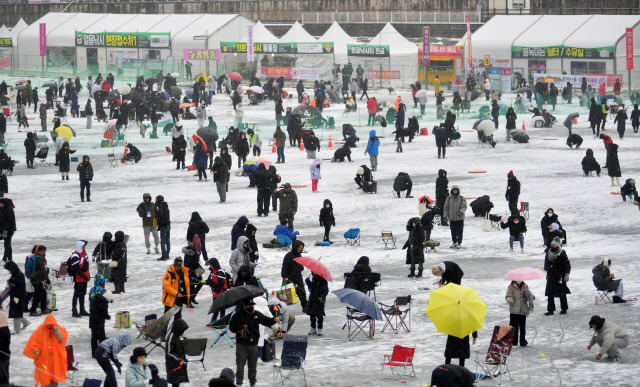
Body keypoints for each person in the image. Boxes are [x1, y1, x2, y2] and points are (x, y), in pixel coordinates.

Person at [229, 299, 278, 386]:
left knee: (253, 367)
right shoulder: (238, 315)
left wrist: (274, 320)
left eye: (252, 305)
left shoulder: (256, 314)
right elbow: (232, 328)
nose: (250, 307)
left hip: (254, 344)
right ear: (244, 306)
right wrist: (240, 328)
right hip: (242, 345)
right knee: (240, 366)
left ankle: (253, 382)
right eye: (248, 305)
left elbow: (265, 320)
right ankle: (239, 383)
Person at [23, 314, 68, 387]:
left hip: (55, 360)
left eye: (51, 324)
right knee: (44, 376)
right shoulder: (40, 330)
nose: (50, 326)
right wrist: (36, 350)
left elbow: (62, 340)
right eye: (48, 324)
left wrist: (56, 331)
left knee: (54, 376)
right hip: (44, 359)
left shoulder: (59, 329)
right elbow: (34, 342)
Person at [544, 237, 571, 316]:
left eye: (554, 245)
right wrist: (548, 268)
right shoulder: (548, 252)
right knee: (550, 294)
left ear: (558, 246)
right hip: (551, 276)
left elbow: (567, 264)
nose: (553, 246)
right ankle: (550, 310)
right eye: (552, 244)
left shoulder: (562, 253)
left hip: (560, 276)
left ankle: (564, 308)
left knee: (562, 293)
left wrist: (566, 274)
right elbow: (546, 265)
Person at [281, 240, 308, 312]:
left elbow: (301, 267)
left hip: (298, 277)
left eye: (301, 248)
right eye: (299, 247)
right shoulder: (288, 256)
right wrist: (284, 276)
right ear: (295, 247)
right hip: (289, 278)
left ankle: (305, 307)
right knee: (287, 295)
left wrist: (301, 267)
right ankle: (283, 310)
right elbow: (285, 266)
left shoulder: (299, 255)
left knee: (302, 292)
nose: (300, 249)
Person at [3, 261, 29, 334]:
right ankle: (26, 322)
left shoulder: (19, 275)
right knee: (17, 311)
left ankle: (16, 329)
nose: (8, 271)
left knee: (16, 312)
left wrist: (16, 297)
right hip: (15, 296)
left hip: (18, 296)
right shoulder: (15, 273)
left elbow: (19, 287)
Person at [505, 280, 534, 347]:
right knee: (513, 327)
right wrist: (510, 300)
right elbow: (508, 296)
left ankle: (522, 340)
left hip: (523, 310)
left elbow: (530, 297)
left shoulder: (525, 286)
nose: (519, 281)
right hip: (514, 310)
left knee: (522, 327)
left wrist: (526, 292)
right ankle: (513, 342)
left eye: (520, 279)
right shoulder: (511, 287)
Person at [89, 275, 111, 357]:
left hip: (92, 315)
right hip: (100, 318)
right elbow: (104, 307)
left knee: (94, 336)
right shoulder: (104, 291)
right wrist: (107, 316)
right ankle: (101, 353)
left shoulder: (92, 290)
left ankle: (94, 353)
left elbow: (90, 302)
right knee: (102, 336)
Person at [69, 240, 91, 318]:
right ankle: (74, 311)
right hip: (79, 279)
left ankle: (82, 310)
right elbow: (75, 269)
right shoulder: (75, 255)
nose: (84, 247)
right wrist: (83, 276)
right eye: (83, 246)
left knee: (82, 294)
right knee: (76, 295)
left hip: (84, 279)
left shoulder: (84, 253)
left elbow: (86, 265)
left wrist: (88, 275)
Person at [166, 318, 189, 386]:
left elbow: (182, 344)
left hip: (180, 362)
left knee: (178, 381)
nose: (183, 331)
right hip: (173, 364)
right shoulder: (171, 337)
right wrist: (179, 360)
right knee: (175, 382)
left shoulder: (180, 335)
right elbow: (170, 352)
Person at [206, 258, 230, 322]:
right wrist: (205, 282)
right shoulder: (212, 271)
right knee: (216, 307)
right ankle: (214, 321)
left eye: (210, 264)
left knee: (221, 307)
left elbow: (221, 283)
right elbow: (209, 280)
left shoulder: (220, 271)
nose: (210, 266)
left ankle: (221, 321)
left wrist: (216, 291)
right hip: (215, 292)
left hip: (221, 291)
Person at [28, 245, 50, 316]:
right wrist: (47, 279)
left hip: (34, 278)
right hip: (37, 279)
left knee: (42, 293)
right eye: (44, 251)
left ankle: (43, 308)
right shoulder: (40, 258)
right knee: (37, 295)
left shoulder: (34, 257)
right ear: (41, 251)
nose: (44, 252)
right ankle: (33, 310)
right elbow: (43, 270)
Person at [0, 198, 15, 263]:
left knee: (7, 243)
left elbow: (8, 222)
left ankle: (4, 259)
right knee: (8, 243)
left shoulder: (9, 210)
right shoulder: (3, 209)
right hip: (4, 229)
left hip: (8, 230)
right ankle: (10, 259)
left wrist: (4, 230)